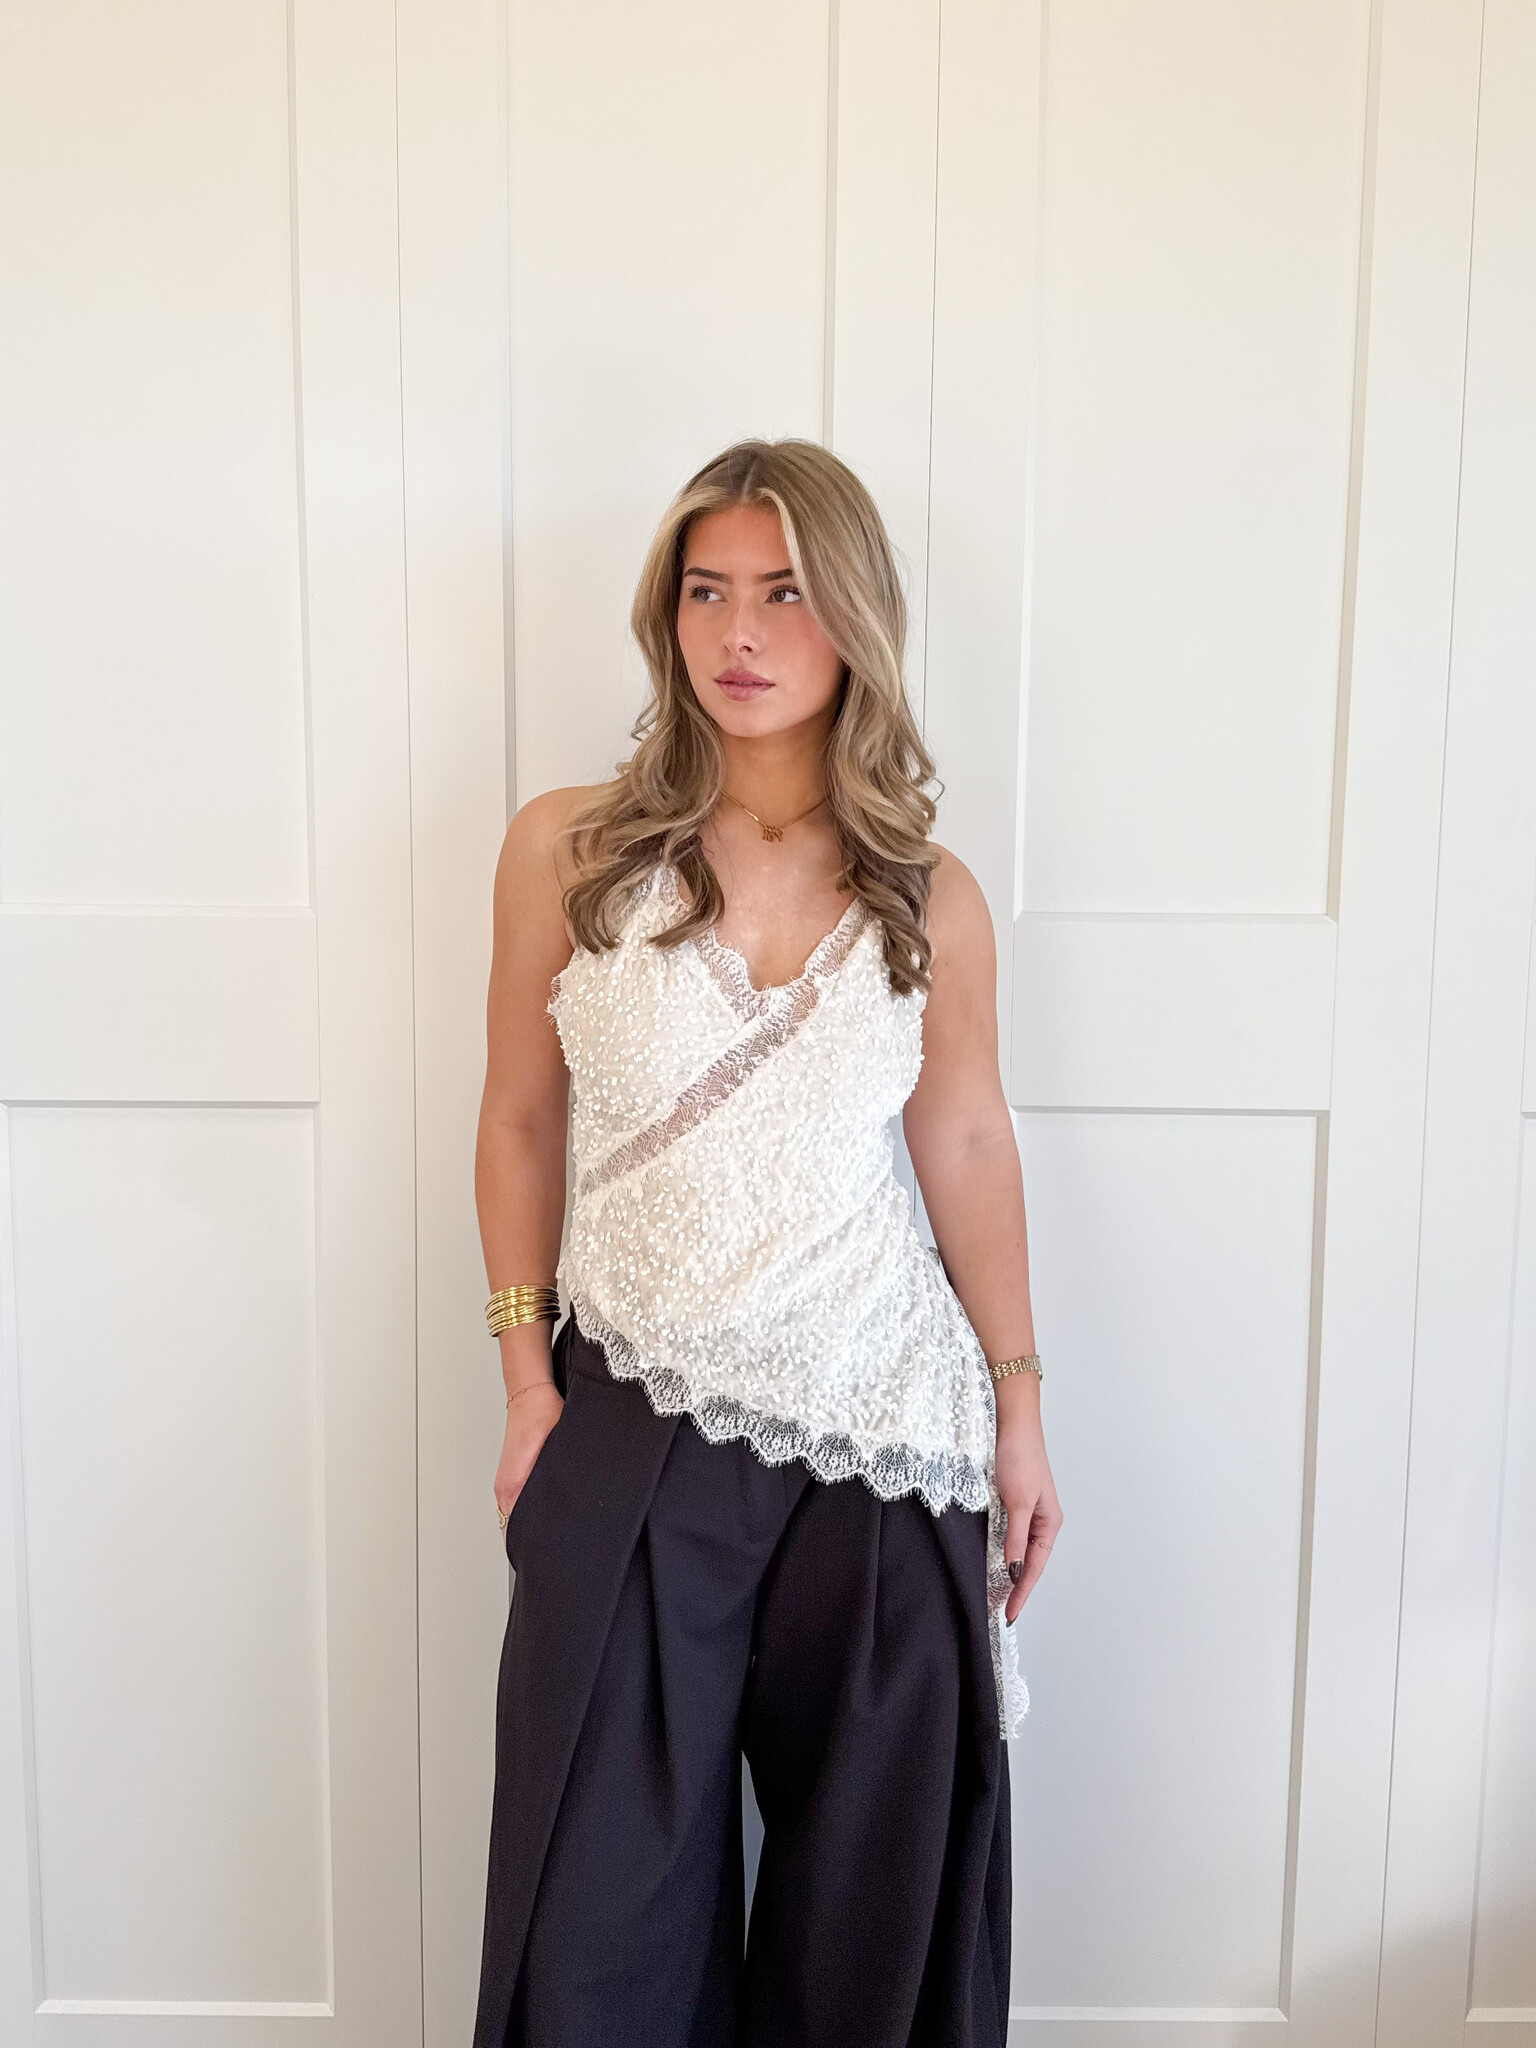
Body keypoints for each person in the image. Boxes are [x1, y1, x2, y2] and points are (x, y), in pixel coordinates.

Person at [471, 437, 1062, 2048]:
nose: (739, 634)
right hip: (633, 1412)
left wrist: (1019, 1408)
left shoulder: (926, 894)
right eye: (707, 592)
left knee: (878, 1926)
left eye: (786, 594)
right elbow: (518, 1120)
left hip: (888, 1434)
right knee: (594, 1916)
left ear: (854, 618)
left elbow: (965, 1141)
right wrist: (527, 1383)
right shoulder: (570, 849)